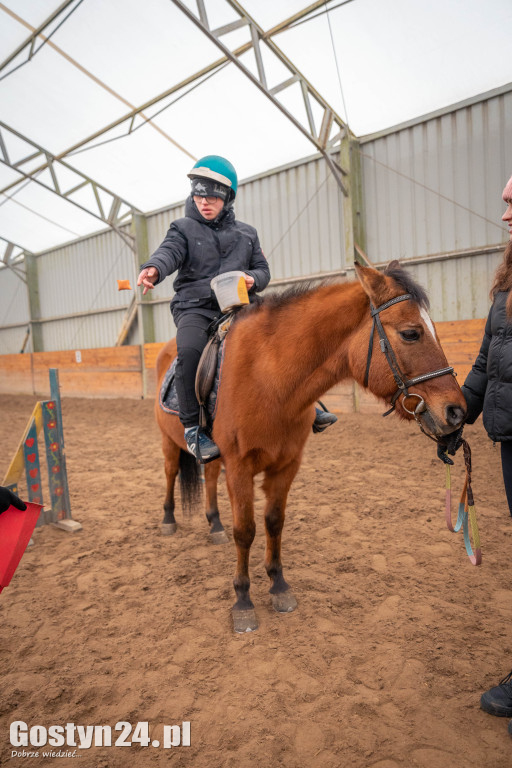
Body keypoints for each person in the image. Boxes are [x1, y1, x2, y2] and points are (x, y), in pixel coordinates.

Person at [138, 155, 337, 463]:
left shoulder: (247, 234)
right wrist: (154, 269)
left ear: (227, 198)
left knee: (283, 339)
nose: (205, 202)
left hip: (239, 305)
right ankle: (192, 428)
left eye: (213, 197)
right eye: (199, 195)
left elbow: (263, 271)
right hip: (196, 308)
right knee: (189, 351)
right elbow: (168, 253)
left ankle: (312, 405)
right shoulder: (183, 229)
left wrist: (251, 278)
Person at [454, 175, 512, 733]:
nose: (505, 217)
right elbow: (485, 361)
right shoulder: (506, 286)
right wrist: (458, 414)